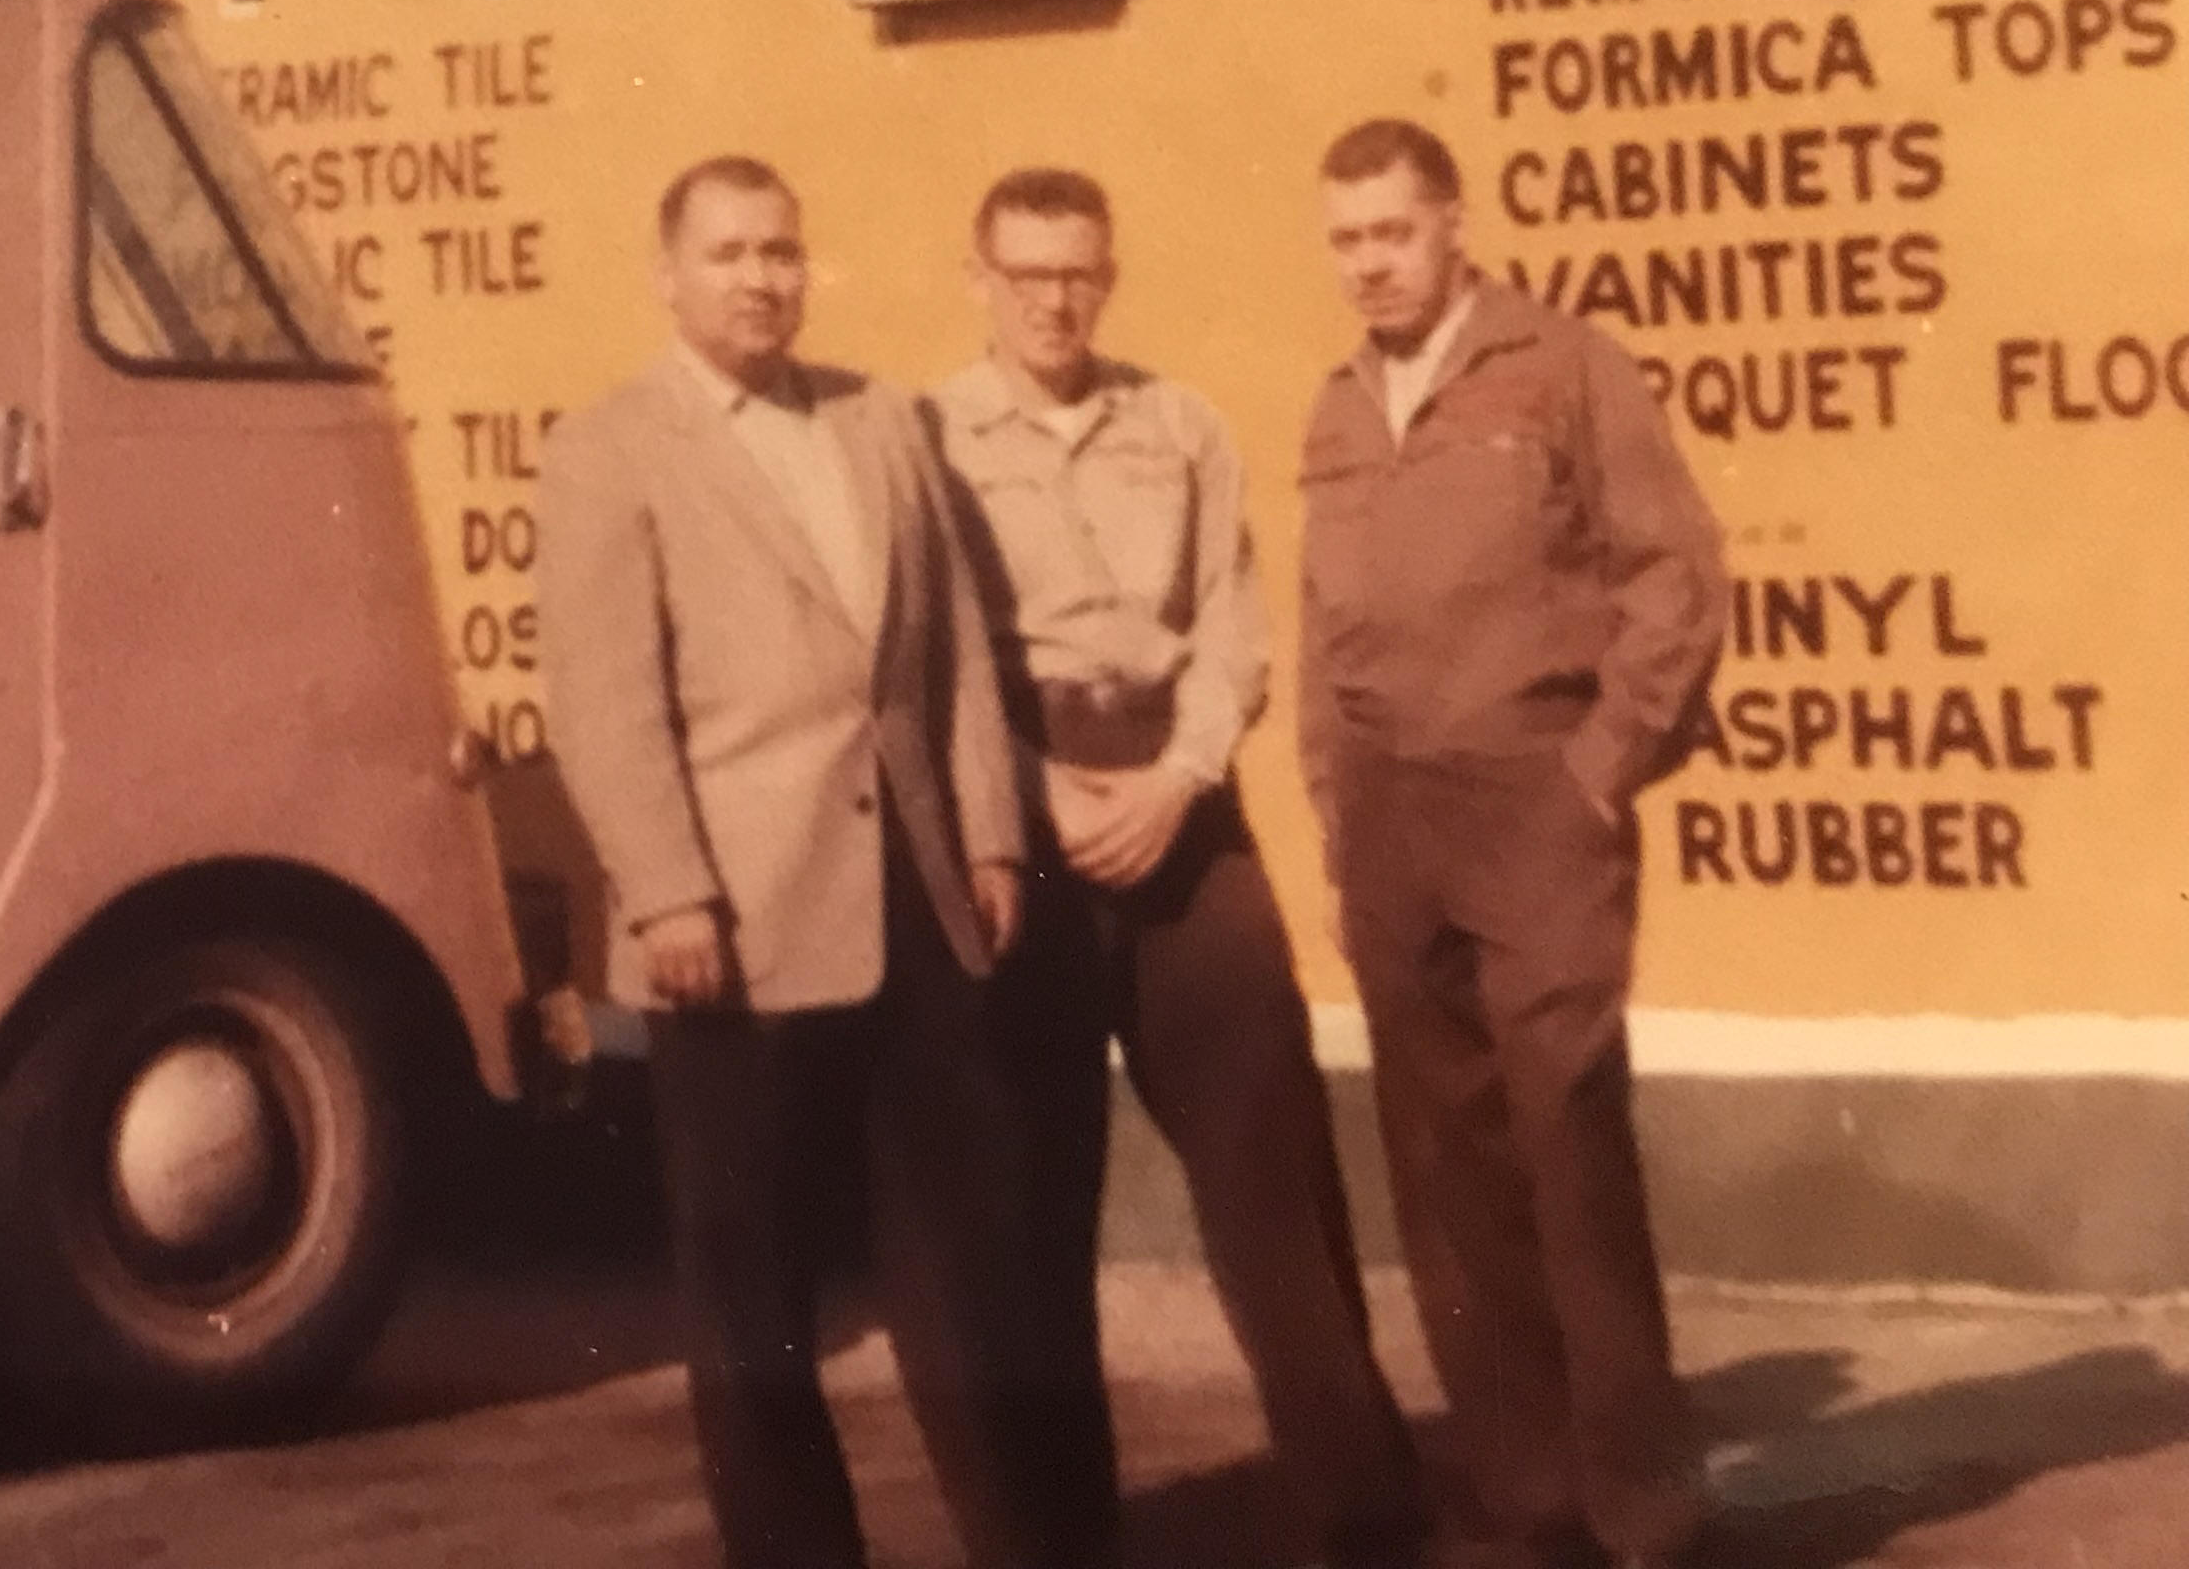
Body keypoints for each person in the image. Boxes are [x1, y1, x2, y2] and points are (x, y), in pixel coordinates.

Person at [537, 154, 1074, 1569]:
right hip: (732, 920)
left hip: (916, 901)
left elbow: (948, 651)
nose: (762, 279)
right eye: (728, 255)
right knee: (753, 1298)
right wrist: (668, 891)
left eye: (781, 252)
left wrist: (992, 839)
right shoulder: (608, 448)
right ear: (668, 276)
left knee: (972, 1275)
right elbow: (604, 701)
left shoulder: (879, 418)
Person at [933, 167, 1427, 1569]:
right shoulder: (927, 440)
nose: (1055, 300)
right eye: (1026, 274)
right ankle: (1052, 1541)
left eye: (1079, 271)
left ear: (1110, 273)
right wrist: (1031, 793)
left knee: (1274, 1179)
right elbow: (933, 659)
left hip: (1177, 807)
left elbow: (1234, 627)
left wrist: (1177, 780)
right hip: (1015, 822)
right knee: (1030, 1201)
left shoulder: (1182, 425)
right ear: (981, 281)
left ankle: (1367, 1519)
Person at [1302, 118, 1729, 1569]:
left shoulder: (1565, 365)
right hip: (1389, 820)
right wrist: (1330, 787)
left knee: (1566, 1139)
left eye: (1394, 232)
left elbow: (1675, 573)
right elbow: (1322, 617)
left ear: (1454, 225)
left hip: (1534, 804)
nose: (1372, 264)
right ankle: (1522, 1507)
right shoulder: (1339, 405)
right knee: (1442, 1163)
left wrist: (1601, 770)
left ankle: (1644, 1516)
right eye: (1347, 239)